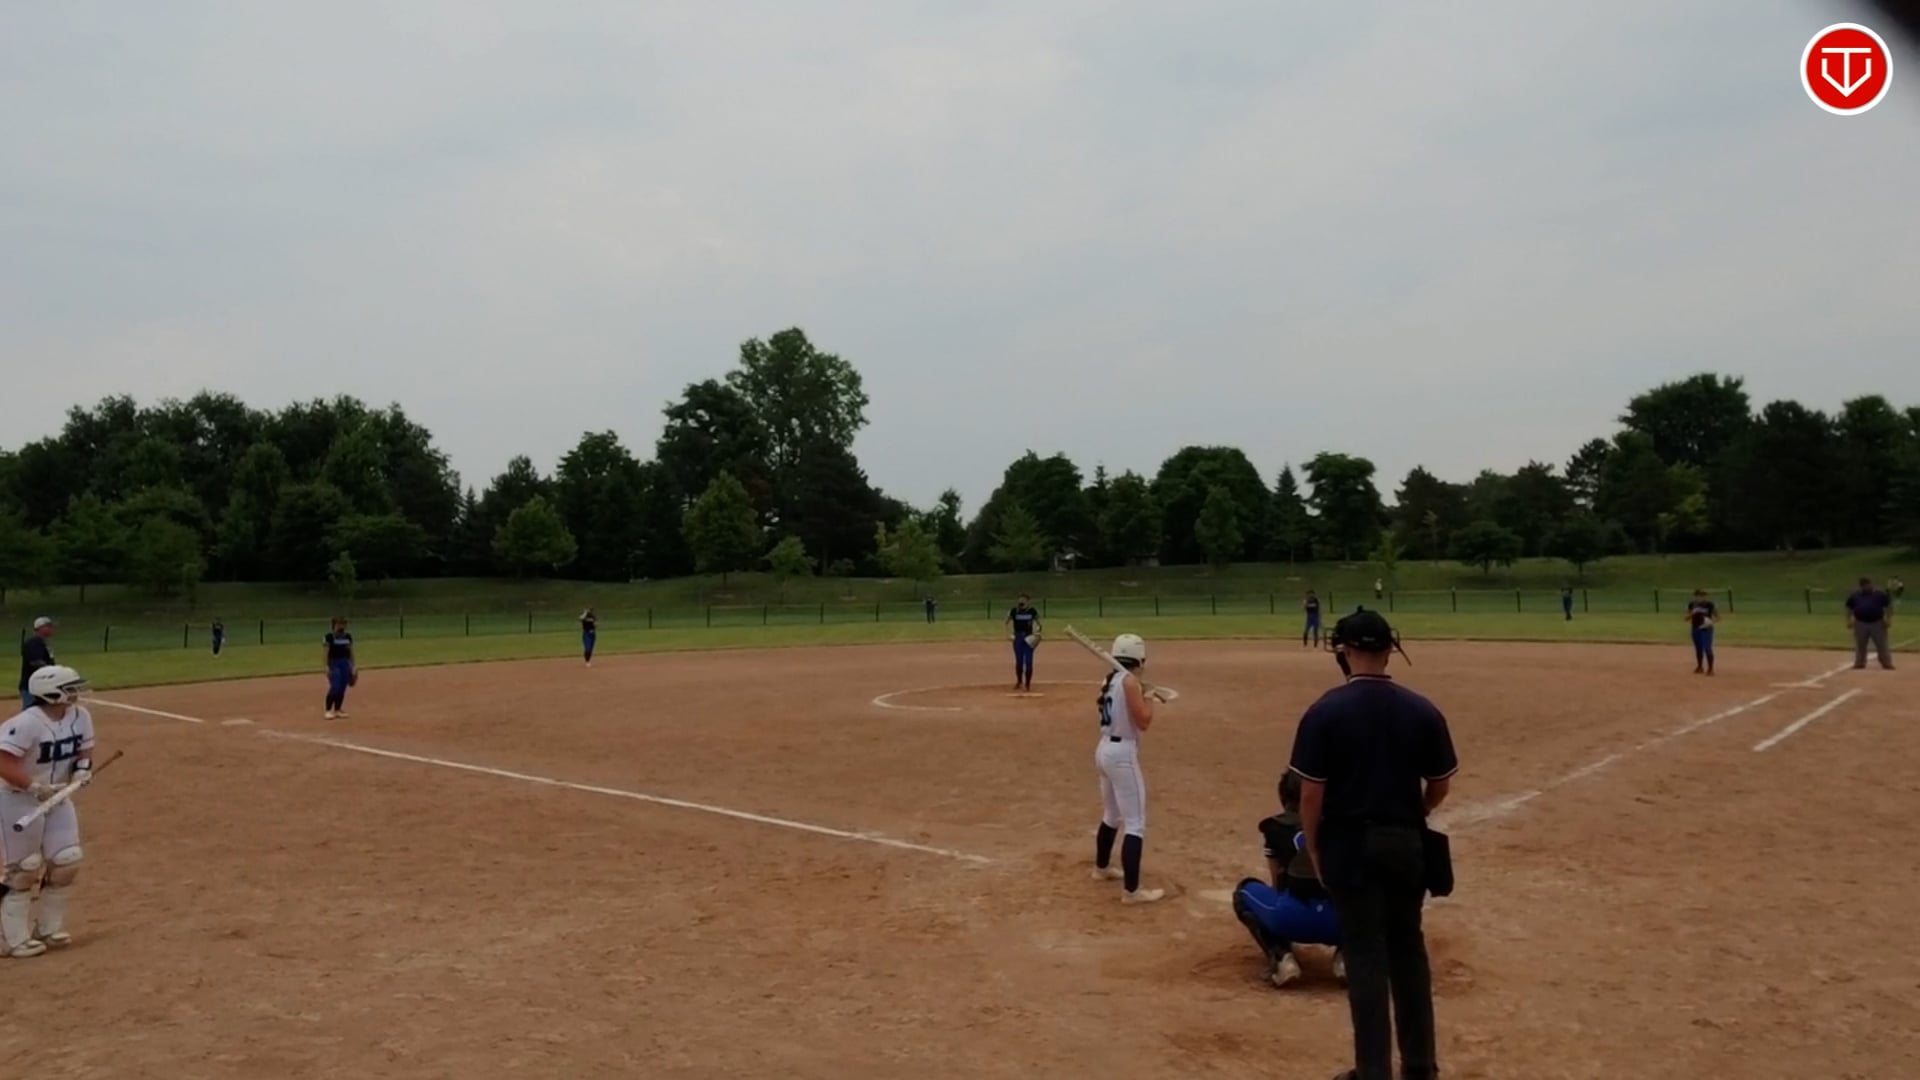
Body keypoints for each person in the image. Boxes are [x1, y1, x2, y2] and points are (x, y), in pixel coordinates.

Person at [1289, 608, 1456, 1080]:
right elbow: (1440, 783)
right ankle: (1419, 1066)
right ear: (1389, 650)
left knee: (1364, 955)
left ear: (1343, 651)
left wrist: (1315, 847)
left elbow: (1311, 794)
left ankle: (1373, 1070)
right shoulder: (1421, 709)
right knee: (1408, 950)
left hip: (1349, 845)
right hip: (1406, 843)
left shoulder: (1325, 711)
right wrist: (1414, 814)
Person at [0, 664, 98, 958]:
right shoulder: (26, 723)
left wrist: (82, 769)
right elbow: (3, 761)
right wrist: (32, 786)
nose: (76, 693)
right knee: (24, 868)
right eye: (70, 688)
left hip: (57, 796)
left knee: (67, 860)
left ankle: (47, 929)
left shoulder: (80, 716)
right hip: (17, 798)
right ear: (52, 693)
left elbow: (85, 749)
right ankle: (10, 939)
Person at [1232, 772, 1345, 989]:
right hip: (1341, 922)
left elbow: (1277, 884)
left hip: (1292, 917)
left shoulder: (1275, 827)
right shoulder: (1342, 825)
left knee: (1243, 892)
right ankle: (1348, 958)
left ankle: (1281, 957)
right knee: (1366, 902)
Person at [1089, 633, 1164, 903]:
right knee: (1135, 824)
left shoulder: (1111, 679)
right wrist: (1150, 697)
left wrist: (1143, 691)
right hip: (1121, 754)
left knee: (1112, 814)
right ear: (1139, 658)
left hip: (1105, 749)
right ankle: (1132, 892)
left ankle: (1101, 868)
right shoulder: (1130, 681)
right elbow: (1143, 721)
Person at [1845, 577, 1894, 671]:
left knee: (1881, 644)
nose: (1866, 587)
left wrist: (1888, 619)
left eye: (1867, 585)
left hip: (1877, 623)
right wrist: (1848, 620)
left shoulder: (1879, 594)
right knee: (1860, 644)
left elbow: (1888, 606)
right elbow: (1848, 607)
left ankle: (1886, 663)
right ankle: (1859, 663)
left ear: (1871, 584)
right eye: (1863, 586)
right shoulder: (1855, 595)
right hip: (1860, 623)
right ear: (1861, 586)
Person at [17, 617, 55, 712]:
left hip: (41, 685)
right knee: (31, 713)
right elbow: (35, 662)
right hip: (31, 686)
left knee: (42, 713)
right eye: (48, 626)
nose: (51, 629)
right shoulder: (32, 643)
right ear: (40, 628)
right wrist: (52, 671)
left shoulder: (44, 644)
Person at [323, 617, 356, 719]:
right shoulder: (329, 637)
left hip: (345, 663)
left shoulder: (347, 637)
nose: (341, 626)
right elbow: (326, 653)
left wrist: (353, 666)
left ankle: (338, 709)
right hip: (334, 663)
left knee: (342, 687)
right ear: (334, 625)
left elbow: (350, 652)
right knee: (335, 686)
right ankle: (328, 710)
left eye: (343, 624)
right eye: (339, 624)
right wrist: (326, 666)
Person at [1007, 595, 1041, 691]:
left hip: (1028, 638)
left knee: (1029, 662)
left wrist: (1037, 634)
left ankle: (1027, 684)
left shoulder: (1032, 611)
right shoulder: (1014, 611)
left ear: (1028, 601)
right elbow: (1007, 623)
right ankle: (1019, 681)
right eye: (1020, 600)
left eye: (1024, 600)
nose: (1021, 602)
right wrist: (1010, 634)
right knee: (1019, 662)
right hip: (1018, 638)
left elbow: (1038, 624)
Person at [1685, 589, 1718, 675]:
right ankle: (1700, 667)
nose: (1702, 597)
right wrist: (1692, 613)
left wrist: (1710, 622)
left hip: (1706, 629)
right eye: (1699, 595)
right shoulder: (1692, 605)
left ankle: (1710, 669)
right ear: (1695, 596)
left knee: (1707, 648)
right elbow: (1686, 618)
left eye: (1704, 595)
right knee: (1698, 648)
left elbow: (1718, 617)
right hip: (1695, 628)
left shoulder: (1709, 605)